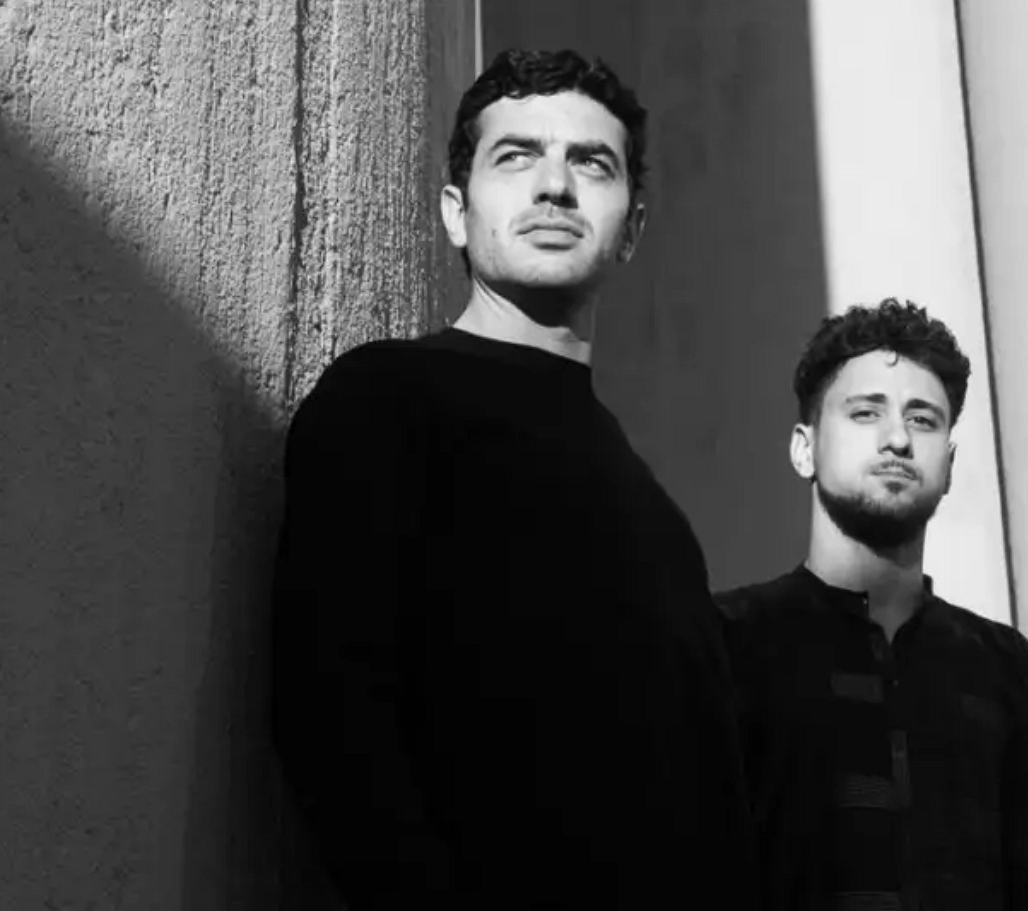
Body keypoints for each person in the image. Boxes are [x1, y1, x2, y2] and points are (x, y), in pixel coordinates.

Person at [269, 49, 760, 911]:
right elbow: (331, 711)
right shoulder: (389, 399)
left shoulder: (661, 519)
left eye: (591, 163)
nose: (555, 186)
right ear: (455, 212)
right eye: (517, 155)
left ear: (632, 229)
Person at [716, 300, 1028, 911]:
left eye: (923, 419)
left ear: (950, 464)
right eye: (866, 412)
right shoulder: (724, 646)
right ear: (805, 449)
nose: (897, 440)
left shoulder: (1010, 673)